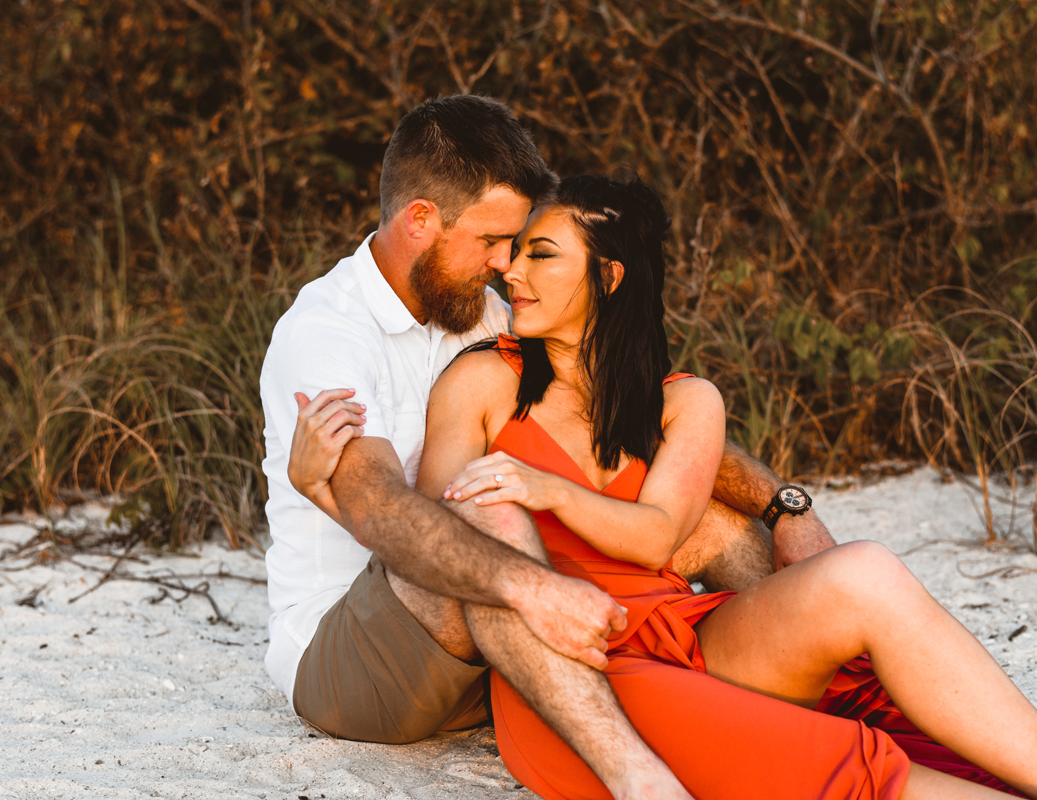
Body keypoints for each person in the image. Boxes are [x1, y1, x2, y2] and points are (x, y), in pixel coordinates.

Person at [292, 172, 1037, 800]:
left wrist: (551, 487)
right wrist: (339, 491)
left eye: (540, 257)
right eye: (513, 254)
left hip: (686, 629)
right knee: (846, 759)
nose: (510, 274)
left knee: (867, 569)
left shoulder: (687, 403)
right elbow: (455, 542)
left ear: (609, 277)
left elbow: (654, 537)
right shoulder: (482, 381)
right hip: (581, 665)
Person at [260, 94, 831, 800]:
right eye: (494, 241)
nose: (508, 264)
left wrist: (785, 506)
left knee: (705, 520)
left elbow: (638, 425)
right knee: (486, 518)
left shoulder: (486, 309)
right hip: (359, 658)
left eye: (522, 243)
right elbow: (379, 508)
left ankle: (818, 674)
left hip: (494, 643)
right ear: (421, 221)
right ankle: (635, 776)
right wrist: (540, 586)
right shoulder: (328, 335)